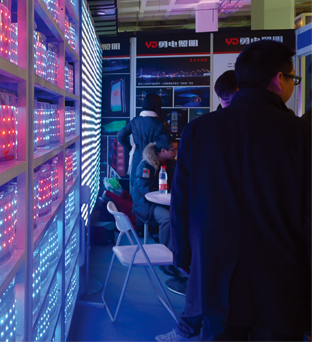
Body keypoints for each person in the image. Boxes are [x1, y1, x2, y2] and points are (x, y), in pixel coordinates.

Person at [170, 40, 311, 341]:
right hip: (280, 285)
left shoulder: (198, 131)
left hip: (215, 280)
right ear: (279, 79)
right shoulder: (301, 134)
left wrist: (185, 258)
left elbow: (181, 202)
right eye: (293, 79)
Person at [157, 70, 241, 342]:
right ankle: (188, 328)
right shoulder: (272, 128)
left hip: (206, 229)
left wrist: (182, 249)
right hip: (232, 234)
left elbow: (181, 194)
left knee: (205, 286)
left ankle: (187, 329)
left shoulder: (199, 129)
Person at [131, 134, 178, 269]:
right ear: (163, 151)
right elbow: (145, 190)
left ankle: (177, 252)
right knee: (167, 218)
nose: (176, 152)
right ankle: (165, 260)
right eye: (173, 150)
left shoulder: (172, 163)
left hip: (162, 201)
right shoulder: (146, 166)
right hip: (145, 204)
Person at [118, 93, 168, 189]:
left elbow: (120, 136)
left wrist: (131, 149)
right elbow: (165, 144)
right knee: (153, 191)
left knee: (136, 191)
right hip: (154, 161)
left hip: (137, 160)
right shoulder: (161, 123)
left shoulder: (135, 121)